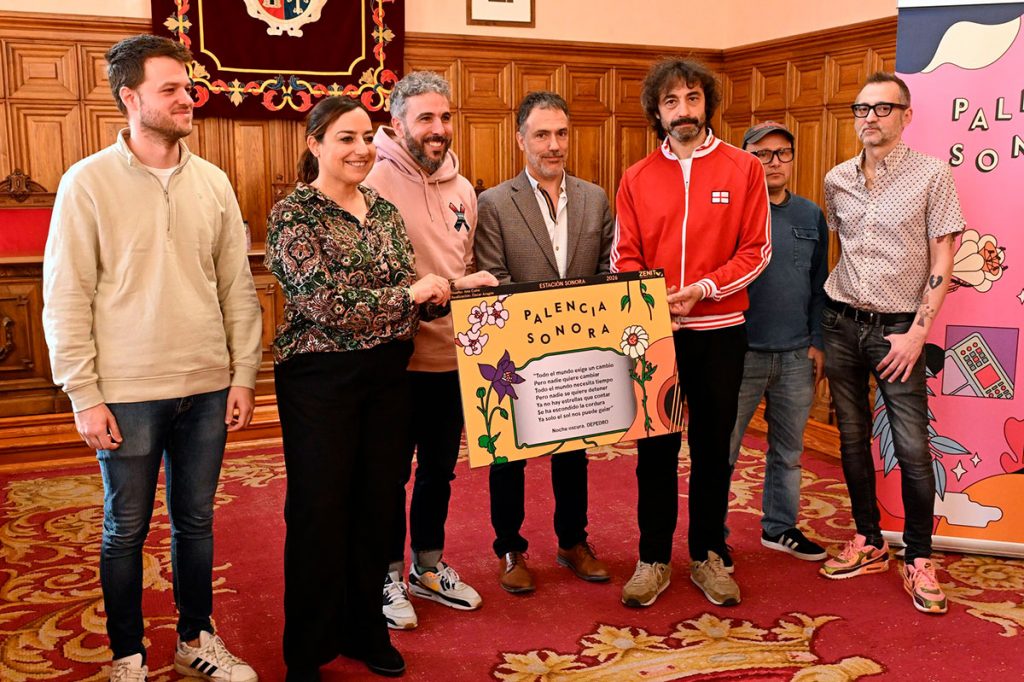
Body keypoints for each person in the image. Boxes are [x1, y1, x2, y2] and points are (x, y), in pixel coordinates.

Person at [41, 34, 262, 682]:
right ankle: (127, 656)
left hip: (206, 387)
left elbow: (238, 290)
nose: (186, 97)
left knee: (195, 522)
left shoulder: (214, 183)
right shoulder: (86, 184)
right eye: (170, 88)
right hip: (128, 391)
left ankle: (196, 640)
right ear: (129, 98)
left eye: (187, 86)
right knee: (125, 530)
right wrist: (83, 392)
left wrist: (243, 374)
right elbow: (66, 297)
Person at [611, 58, 771, 609]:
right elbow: (624, 256)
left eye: (694, 99)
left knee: (712, 449)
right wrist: (654, 303)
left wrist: (702, 289)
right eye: (672, 101)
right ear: (657, 111)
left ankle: (709, 553)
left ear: (708, 105)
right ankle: (653, 558)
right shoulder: (635, 177)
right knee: (654, 451)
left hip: (721, 332)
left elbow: (756, 251)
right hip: (656, 334)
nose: (685, 111)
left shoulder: (744, 168)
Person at [818, 73, 963, 615]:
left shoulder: (932, 176)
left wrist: (918, 332)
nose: (871, 117)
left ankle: (919, 557)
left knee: (911, 448)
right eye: (862, 108)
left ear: (906, 115)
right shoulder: (837, 179)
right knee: (852, 440)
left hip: (901, 330)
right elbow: (845, 246)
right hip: (840, 322)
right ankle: (868, 540)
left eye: (883, 108)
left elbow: (943, 262)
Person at [363, 71, 495, 630]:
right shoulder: (370, 181)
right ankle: (386, 574)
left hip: (452, 357)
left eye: (444, 117)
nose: (438, 129)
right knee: (390, 473)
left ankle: (429, 565)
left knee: (440, 470)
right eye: (425, 118)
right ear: (397, 122)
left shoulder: (465, 189)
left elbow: (462, 268)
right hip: (396, 360)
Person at [474, 91, 615, 594]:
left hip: (579, 353)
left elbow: (604, 272)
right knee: (508, 453)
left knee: (573, 451)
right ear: (520, 140)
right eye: (541, 135)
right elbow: (494, 276)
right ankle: (510, 548)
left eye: (560, 134)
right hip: (514, 355)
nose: (553, 145)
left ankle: (573, 541)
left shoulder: (596, 197)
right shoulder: (493, 203)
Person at [727, 121, 828, 563]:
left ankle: (780, 527)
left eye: (782, 153)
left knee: (788, 452)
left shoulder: (810, 215)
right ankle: (712, 537)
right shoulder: (731, 212)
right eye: (762, 153)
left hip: (795, 354)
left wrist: (817, 341)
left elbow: (821, 283)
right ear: (745, 158)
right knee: (723, 452)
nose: (774, 162)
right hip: (739, 352)